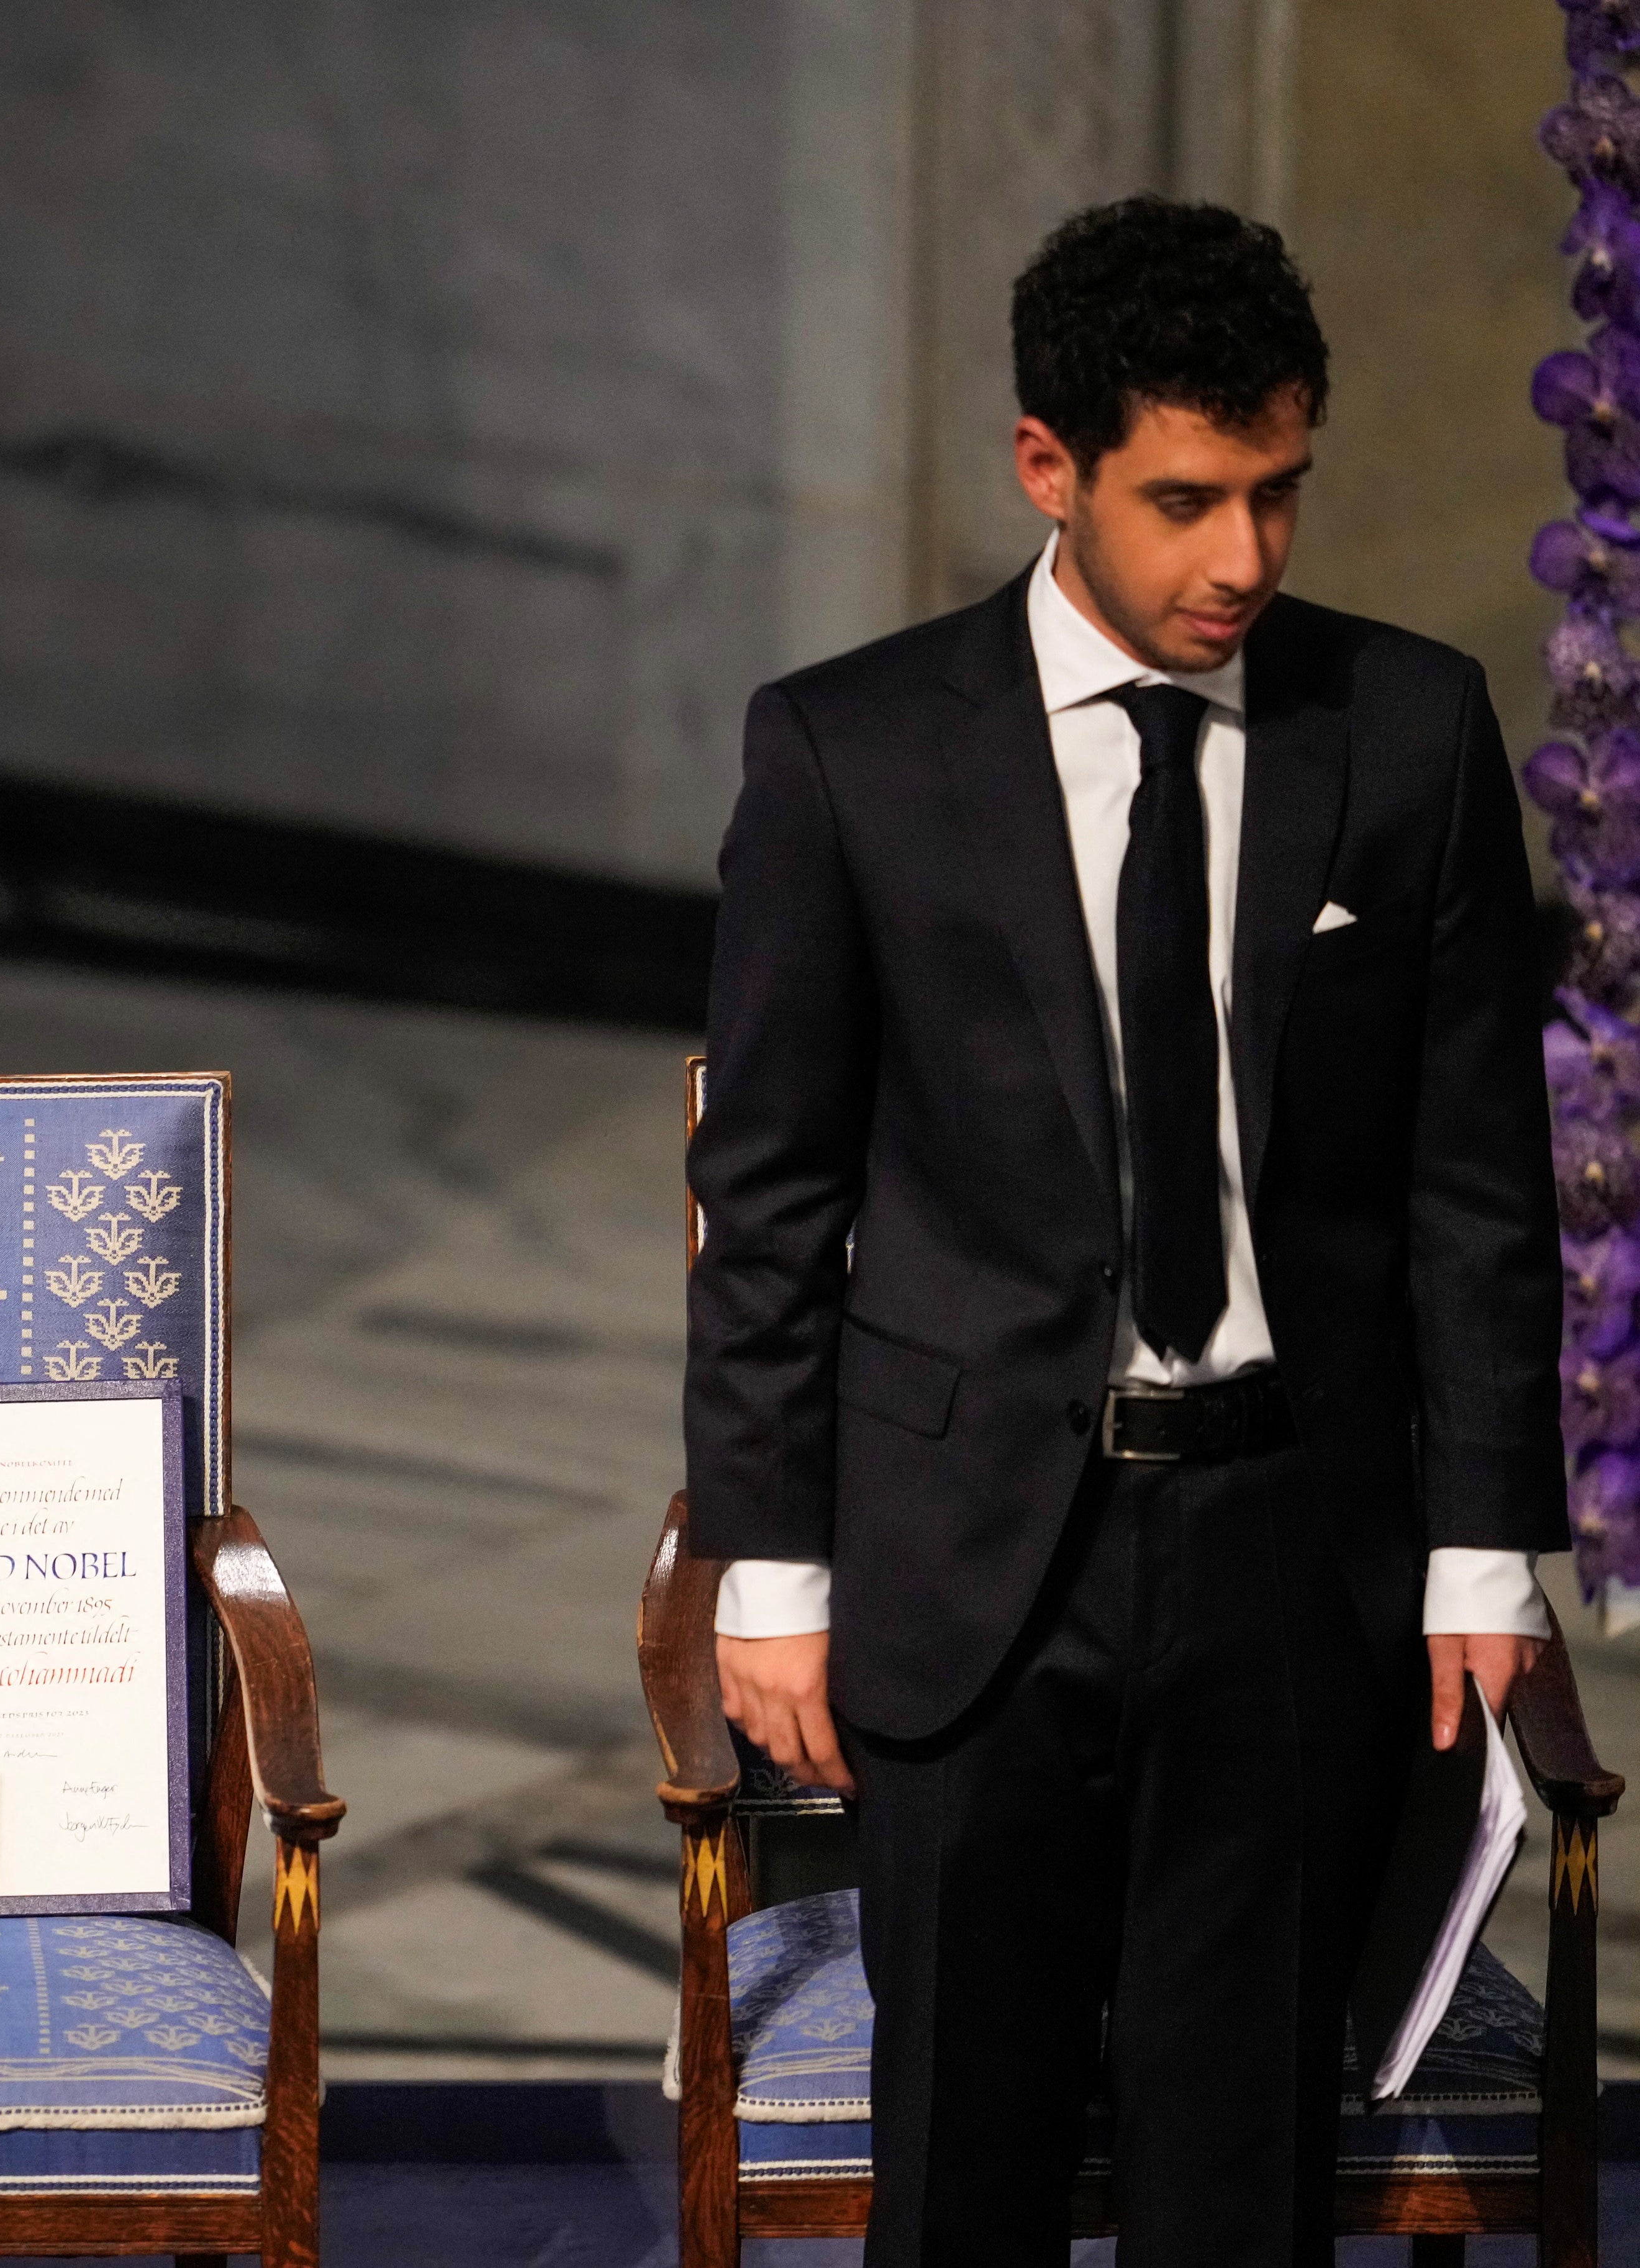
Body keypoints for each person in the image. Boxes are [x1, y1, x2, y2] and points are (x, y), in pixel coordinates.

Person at [686, 197, 1564, 2264]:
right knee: (969, 2171)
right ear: (1046, 467)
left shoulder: (1411, 733)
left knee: (1235, 2185)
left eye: (1278, 494)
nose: (1244, 560)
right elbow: (774, 1191)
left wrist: (1481, 1546)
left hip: (1291, 1557)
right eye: (1186, 501)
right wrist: (771, 1559)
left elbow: (1477, 1183)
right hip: (972, 1557)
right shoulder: (853, 751)